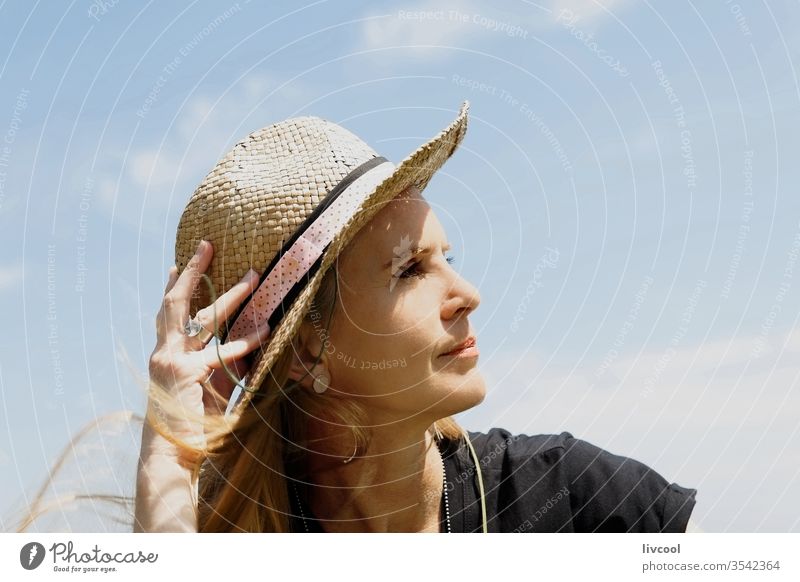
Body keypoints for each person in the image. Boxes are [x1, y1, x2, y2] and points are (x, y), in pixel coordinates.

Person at [135, 101, 699, 533]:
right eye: (409, 270)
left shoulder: (582, 502)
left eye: (446, 259)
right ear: (308, 347)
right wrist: (166, 460)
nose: (467, 294)